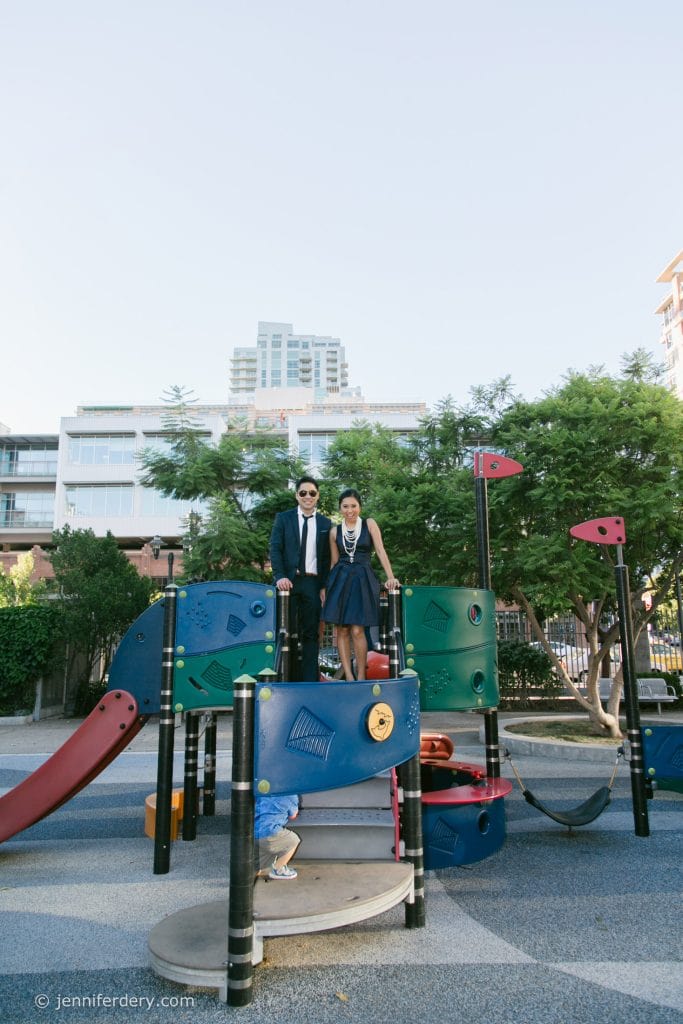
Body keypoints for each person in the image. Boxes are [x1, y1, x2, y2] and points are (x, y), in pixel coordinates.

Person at [322, 488, 400, 681]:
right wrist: (325, 588)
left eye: (353, 506)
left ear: (360, 507)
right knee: (342, 629)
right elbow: (333, 562)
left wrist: (391, 577)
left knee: (358, 629)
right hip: (340, 581)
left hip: (363, 578)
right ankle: (348, 676)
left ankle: (361, 676)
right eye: (345, 506)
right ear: (340, 508)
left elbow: (381, 551)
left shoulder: (369, 524)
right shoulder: (334, 532)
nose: (350, 510)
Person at [269, 475, 332, 681]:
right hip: (287, 582)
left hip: (312, 583)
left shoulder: (325, 523)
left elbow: (325, 558)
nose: (307, 496)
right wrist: (279, 576)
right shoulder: (284, 518)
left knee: (311, 634)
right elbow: (275, 548)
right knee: (282, 630)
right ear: (297, 495)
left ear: (317, 496)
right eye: (303, 493)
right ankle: (281, 679)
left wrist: (323, 586)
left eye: (312, 493)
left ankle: (309, 682)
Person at [254, 793, 300, 880]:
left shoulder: (264, 790)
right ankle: (279, 869)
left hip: (254, 830)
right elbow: (293, 815)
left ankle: (256, 870)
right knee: (293, 840)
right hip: (270, 832)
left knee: (266, 849)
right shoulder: (291, 795)